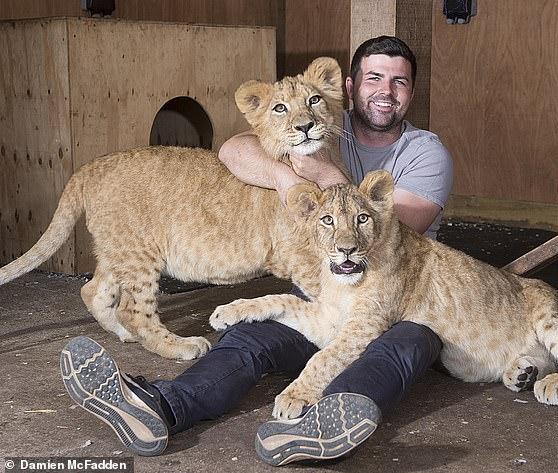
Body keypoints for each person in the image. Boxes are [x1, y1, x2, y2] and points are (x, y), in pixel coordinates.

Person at [60, 36, 453, 465]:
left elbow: (392, 235)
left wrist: (323, 174)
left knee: (408, 344)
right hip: (327, 300)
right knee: (251, 334)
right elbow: (233, 150)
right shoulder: (321, 126)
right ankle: (162, 406)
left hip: (399, 299)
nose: (385, 91)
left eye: (399, 82)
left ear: (411, 92)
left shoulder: (425, 153)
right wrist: (286, 180)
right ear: (350, 86)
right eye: (374, 78)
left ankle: (324, 421)